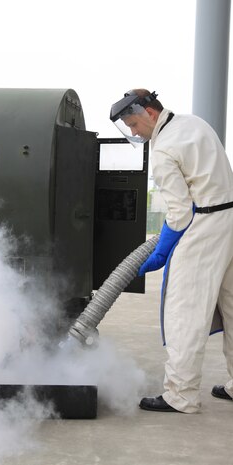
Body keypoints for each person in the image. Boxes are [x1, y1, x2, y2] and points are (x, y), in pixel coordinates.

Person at [110, 89, 233, 413]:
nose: (134, 132)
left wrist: (162, 252)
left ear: (150, 113)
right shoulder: (195, 124)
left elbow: (179, 213)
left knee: (184, 311)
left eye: (134, 124)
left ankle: (181, 395)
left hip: (205, 227)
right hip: (230, 220)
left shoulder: (164, 148)